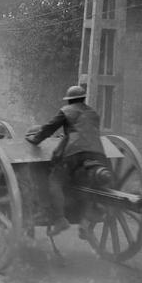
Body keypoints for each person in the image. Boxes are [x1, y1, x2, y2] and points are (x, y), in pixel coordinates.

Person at [25, 85, 107, 236]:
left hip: (75, 152)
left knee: (55, 181)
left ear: (69, 101)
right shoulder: (94, 113)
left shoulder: (67, 111)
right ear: (83, 99)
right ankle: (87, 219)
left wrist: (35, 140)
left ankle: (60, 219)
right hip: (98, 152)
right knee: (89, 183)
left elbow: (49, 128)